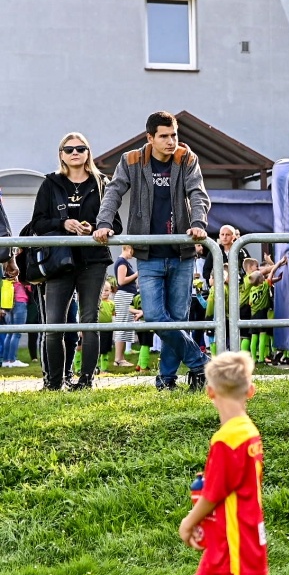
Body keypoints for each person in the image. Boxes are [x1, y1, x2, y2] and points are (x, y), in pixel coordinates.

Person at [175, 351, 288, 575]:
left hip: (238, 539)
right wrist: (207, 527)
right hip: (228, 535)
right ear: (250, 391)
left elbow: (214, 492)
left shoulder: (228, 439)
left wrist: (189, 521)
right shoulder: (245, 431)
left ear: (210, 392)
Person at [94, 110, 213, 392]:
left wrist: (198, 223)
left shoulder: (186, 159)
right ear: (150, 138)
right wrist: (103, 223)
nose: (171, 141)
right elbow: (113, 191)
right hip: (148, 254)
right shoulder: (132, 160)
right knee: (156, 316)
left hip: (181, 253)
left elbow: (198, 194)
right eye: (164, 136)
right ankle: (202, 364)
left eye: (174, 135)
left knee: (177, 320)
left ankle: (167, 379)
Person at [31, 132, 113, 391]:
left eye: (81, 148)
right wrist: (63, 223)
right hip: (58, 261)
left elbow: (115, 224)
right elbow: (37, 223)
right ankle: (54, 383)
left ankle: (86, 381)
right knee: (54, 324)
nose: (75, 152)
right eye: (69, 149)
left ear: (88, 152)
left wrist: (97, 228)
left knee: (89, 322)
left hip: (94, 260)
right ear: (61, 155)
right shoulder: (50, 184)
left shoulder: (102, 183)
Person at [111, 245, 138, 366]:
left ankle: (121, 358)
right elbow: (121, 281)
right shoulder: (121, 262)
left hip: (128, 295)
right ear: (127, 248)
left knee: (126, 325)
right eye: (132, 250)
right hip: (124, 296)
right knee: (121, 325)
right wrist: (137, 274)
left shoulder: (125, 262)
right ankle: (118, 359)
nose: (133, 253)